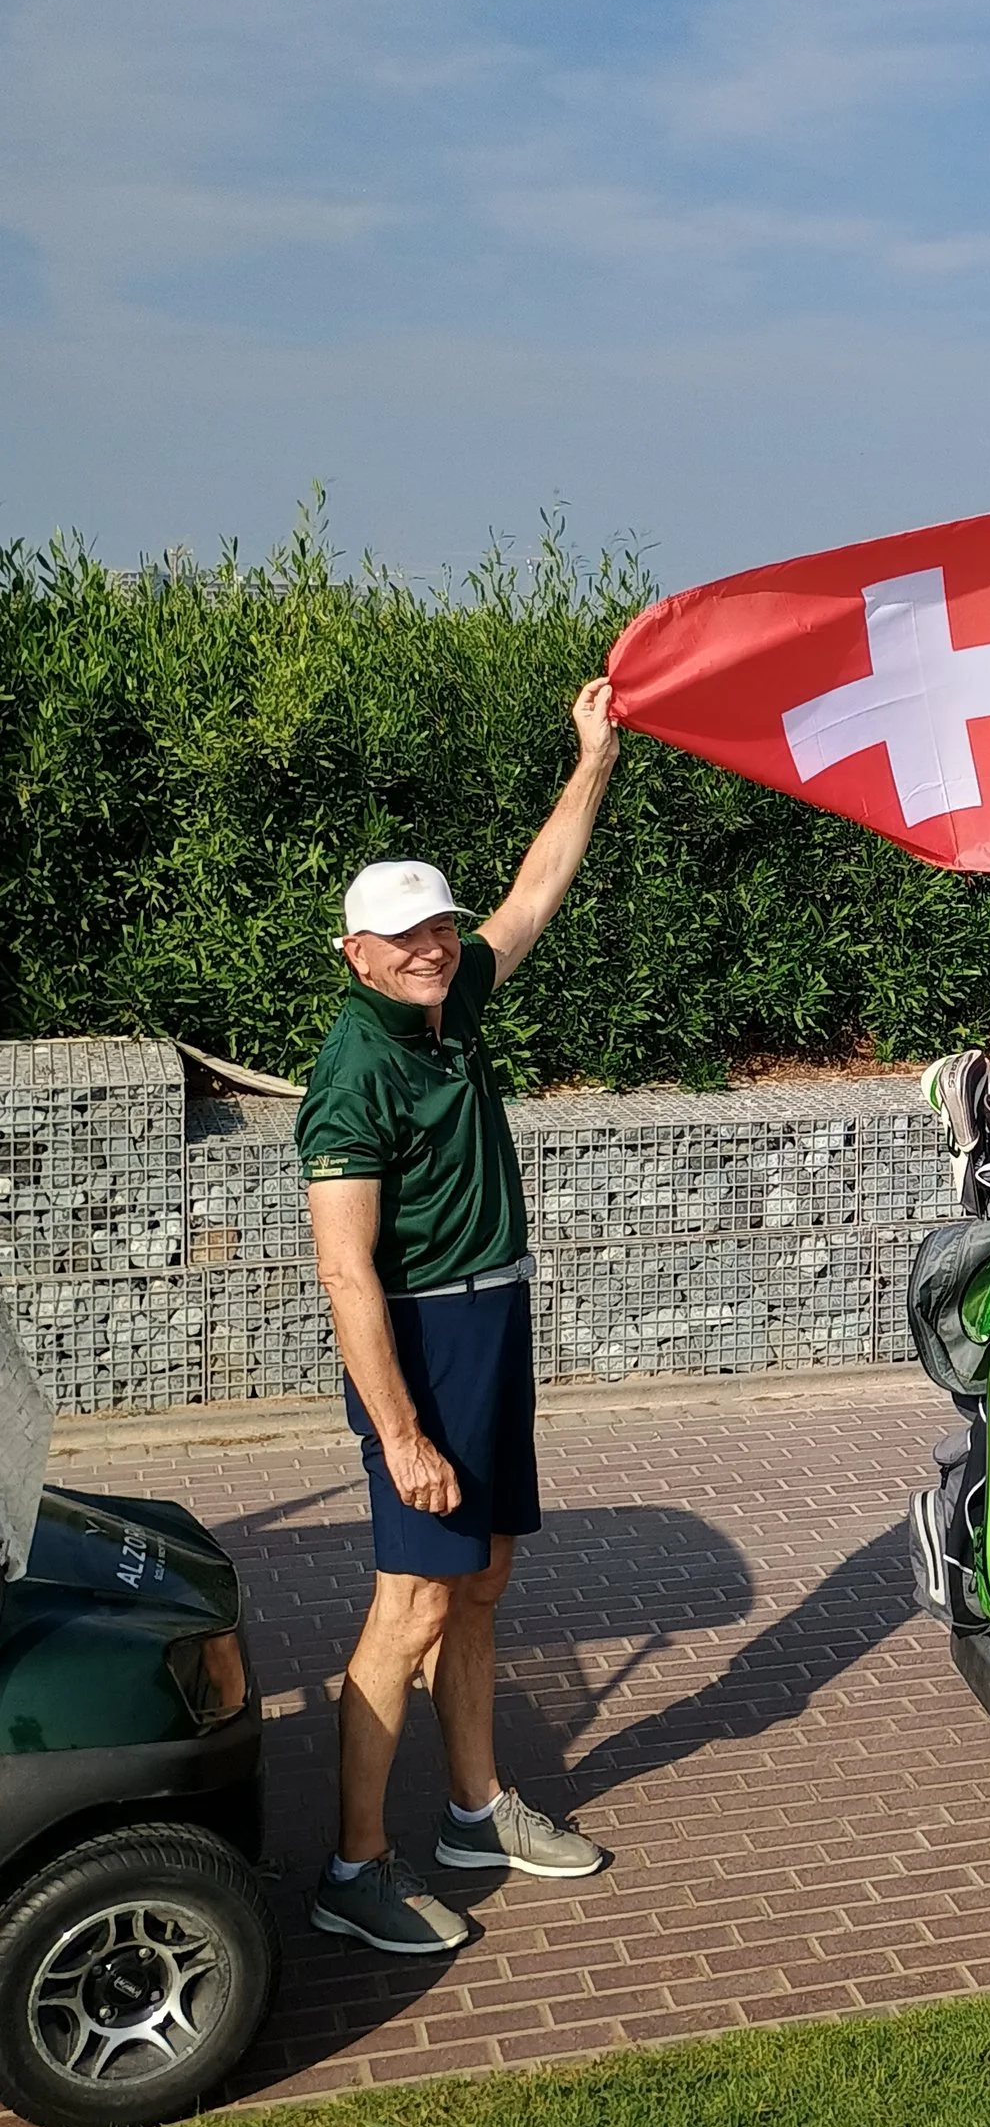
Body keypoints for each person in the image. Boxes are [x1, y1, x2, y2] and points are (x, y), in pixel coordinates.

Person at [295, 678, 621, 1956]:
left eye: (435, 924)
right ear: (354, 956)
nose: (431, 945)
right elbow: (346, 1275)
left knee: (480, 1584)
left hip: (490, 1330)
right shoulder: (355, 1072)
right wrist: (404, 1434)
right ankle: (351, 1867)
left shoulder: (449, 1004)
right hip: (419, 1347)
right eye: (403, 936)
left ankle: (475, 1814)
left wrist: (592, 756)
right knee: (411, 1607)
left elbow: (532, 895)